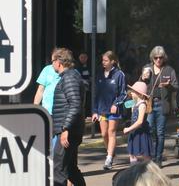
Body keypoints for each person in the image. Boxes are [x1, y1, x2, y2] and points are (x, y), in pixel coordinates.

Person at [51, 47, 86, 186]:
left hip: (68, 131)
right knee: (70, 169)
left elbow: (75, 104)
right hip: (70, 130)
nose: (52, 64)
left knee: (58, 169)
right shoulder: (70, 76)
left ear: (59, 62)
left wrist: (65, 128)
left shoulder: (69, 78)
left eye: (52, 61)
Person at [140, 46, 179, 167]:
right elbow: (140, 85)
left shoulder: (169, 70)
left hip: (163, 104)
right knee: (150, 130)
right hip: (150, 103)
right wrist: (143, 78)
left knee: (160, 132)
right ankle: (150, 156)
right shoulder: (147, 69)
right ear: (152, 58)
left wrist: (168, 86)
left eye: (160, 58)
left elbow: (176, 86)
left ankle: (158, 158)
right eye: (156, 58)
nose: (158, 60)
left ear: (164, 58)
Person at [92, 50, 127, 170]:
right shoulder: (100, 75)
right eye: (103, 60)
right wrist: (95, 111)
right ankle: (110, 152)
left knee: (111, 132)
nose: (103, 62)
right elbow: (96, 94)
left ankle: (109, 158)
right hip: (102, 110)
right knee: (104, 134)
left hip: (114, 111)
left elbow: (123, 93)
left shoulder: (119, 75)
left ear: (113, 61)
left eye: (106, 60)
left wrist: (116, 104)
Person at [124, 81, 153, 164]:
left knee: (145, 154)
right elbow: (125, 105)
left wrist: (128, 129)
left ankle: (149, 172)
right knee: (132, 153)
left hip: (141, 132)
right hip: (134, 131)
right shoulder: (135, 103)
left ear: (139, 94)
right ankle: (134, 171)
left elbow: (140, 121)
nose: (131, 93)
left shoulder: (142, 105)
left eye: (133, 91)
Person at [33, 49, 61, 114]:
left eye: (53, 60)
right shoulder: (47, 69)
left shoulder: (70, 72)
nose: (52, 63)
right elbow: (40, 90)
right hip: (47, 110)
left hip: (62, 111)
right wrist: (35, 108)